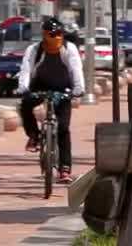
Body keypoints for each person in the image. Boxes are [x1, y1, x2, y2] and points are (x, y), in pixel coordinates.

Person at [16, 17, 86, 183]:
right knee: (25, 105)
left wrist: (78, 90)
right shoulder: (34, 49)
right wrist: (23, 88)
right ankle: (34, 135)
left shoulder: (70, 49)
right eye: (51, 34)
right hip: (39, 86)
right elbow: (26, 69)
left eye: (59, 34)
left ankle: (65, 169)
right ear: (44, 35)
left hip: (63, 89)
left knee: (63, 128)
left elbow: (76, 70)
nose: (56, 37)